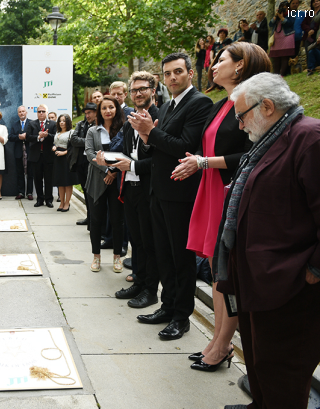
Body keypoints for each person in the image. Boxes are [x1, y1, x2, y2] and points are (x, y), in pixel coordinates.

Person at [216, 72, 320, 409]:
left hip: (288, 283)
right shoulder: (271, 137)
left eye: (242, 115)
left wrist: (314, 269)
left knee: (283, 370)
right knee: (261, 359)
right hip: (258, 277)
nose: (240, 125)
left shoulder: (310, 138)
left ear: (269, 106)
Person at [171, 43, 271, 372]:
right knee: (216, 272)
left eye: (222, 60)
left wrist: (204, 162)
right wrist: (198, 164)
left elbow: (254, 155)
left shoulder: (254, 103)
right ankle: (217, 340)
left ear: (241, 66)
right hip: (211, 189)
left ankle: (224, 344)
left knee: (226, 275)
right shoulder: (220, 104)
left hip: (231, 192)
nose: (213, 65)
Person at [129, 52, 213, 340]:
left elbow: (186, 147)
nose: (172, 77)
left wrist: (151, 132)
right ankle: (167, 307)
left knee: (181, 259)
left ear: (190, 73)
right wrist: (145, 135)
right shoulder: (164, 108)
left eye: (178, 71)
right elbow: (157, 148)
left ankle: (181, 316)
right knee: (163, 255)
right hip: (158, 191)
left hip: (181, 193)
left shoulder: (200, 102)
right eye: (167, 73)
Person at [109, 71, 160, 309]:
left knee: (149, 242)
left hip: (150, 189)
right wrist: (113, 161)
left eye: (143, 89)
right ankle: (138, 282)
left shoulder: (161, 117)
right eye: (134, 90)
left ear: (153, 89)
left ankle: (151, 290)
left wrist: (133, 165)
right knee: (136, 240)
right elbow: (129, 154)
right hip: (130, 188)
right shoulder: (130, 121)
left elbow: (162, 158)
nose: (138, 93)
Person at [85, 96, 124, 273]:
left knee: (117, 220)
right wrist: (106, 171)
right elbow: (89, 153)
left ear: (116, 109)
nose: (108, 111)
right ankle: (96, 257)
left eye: (111, 107)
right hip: (97, 180)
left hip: (117, 180)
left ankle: (117, 257)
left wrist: (114, 172)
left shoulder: (123, 129)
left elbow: (126, 152)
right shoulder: (93, 131)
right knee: (96, 220)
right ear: (99, 112)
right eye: (104, 108)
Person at [69, 102, 97, 226]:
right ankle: (89, 217)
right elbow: (73, 140)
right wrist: (89, 141)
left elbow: (97, 142)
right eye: (85, 113)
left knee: (92, 192)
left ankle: (94, 219)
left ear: (96, 112)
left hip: (92, 163)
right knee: (85, 191)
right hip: (80, 162)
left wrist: (86, 142)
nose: (87, 116)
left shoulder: (99, 126)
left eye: (89, 113)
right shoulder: (81, 124)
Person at [27, 104, 56, 207]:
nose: (41, 113)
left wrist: (47, 135)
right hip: (36, 156)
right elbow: (28, 137)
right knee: (37, 179)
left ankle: (49, 200)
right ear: (37, 113)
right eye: (39, 111)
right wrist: (38, 137)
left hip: (48, 156)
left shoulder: (52, 124)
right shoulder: (32, 124)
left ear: (47, 113)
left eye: (43, 111)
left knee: (48, 179)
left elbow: (56, 137)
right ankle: (39, 199)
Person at [51, 113, 75, 212]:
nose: (62, 122)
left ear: (68, 122)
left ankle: (67, 203)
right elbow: (56, 143)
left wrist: (64, 152)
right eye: (60, 120)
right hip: (57, 159)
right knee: (60, 182)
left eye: (64, 121)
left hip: (67, 158)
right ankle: (61, 202)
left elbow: (73, 148)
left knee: (67, 182)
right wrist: (54, 147)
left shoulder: (71, 132)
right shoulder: (57, 132)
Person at [8, 105, 33, 200]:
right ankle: (21, 192)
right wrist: (19, 137)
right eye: (20, 112)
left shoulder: (32, 123)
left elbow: (35, 136)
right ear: (18, 114)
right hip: (18, 152)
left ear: (26, 112)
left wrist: (26, 137)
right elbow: (10, 137)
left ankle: (29, 193)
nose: (22, 113)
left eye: (23, 111)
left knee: (30, 173)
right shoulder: (14, 125)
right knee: (19, 173)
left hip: (29, 152)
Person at [269, 1, 296, 76]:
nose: (284, 9)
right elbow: (270, 24)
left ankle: (282, 74)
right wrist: (276, 16)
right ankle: (276, 75)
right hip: (277, 38)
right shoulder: (277, 16)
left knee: (285, 56)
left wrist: (282, 18)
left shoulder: (291, 14)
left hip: (287, 36)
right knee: (276, 58)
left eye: (286, 8)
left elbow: (290, 23)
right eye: (282, 8)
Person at [303, 0, 320, 76]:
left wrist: (314, 30)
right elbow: (303, 24)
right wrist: (309, 30)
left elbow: (317, 22)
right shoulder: (309, 13)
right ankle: (311, 69)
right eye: (314, 2)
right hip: (309, 36)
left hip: (317, 35)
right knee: (310, 51)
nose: (315, 3)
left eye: (317, 1)